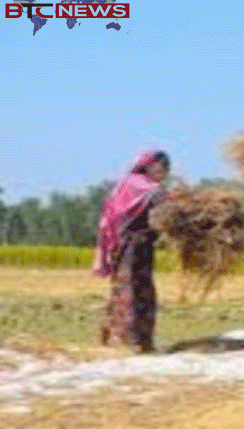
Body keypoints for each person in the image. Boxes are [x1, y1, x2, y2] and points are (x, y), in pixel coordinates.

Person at [93, 150, 171, 353]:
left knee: (144, 291)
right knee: (129, 291)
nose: (164, 172)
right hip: (129, 246)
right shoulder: (134, 183)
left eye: (167, 169)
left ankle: (141, 340)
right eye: (161, 167)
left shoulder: (151, 187)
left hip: (143, 246)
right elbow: (154, 195)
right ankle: (129, 340)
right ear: (148, 166)